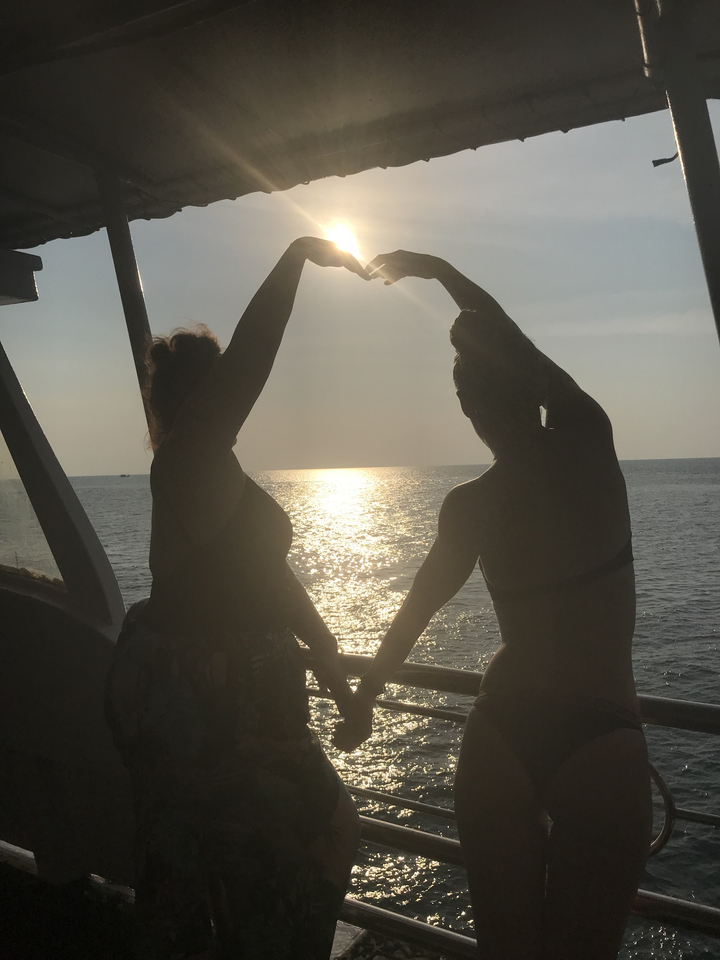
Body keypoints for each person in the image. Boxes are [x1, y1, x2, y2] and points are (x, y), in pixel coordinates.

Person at [338, 251, 653, 960]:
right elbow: (510, 336)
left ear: (468, 405)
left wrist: (363, 699)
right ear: (531, 385)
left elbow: (412, 615)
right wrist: (435, 268)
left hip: (501, 733)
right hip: (601, 736)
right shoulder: (587, 438)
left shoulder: (470, 507)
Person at [105, 237, 366, 960]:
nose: (239, 400)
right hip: (211, 703)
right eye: (222, 387)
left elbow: (266, 579)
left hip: (215, 700)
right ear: (203, 396)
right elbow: (254, 360)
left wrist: (331, 665)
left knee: (206, 876)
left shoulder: (211, 470)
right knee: (315, 841)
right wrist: (299, 255)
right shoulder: (187, 457)